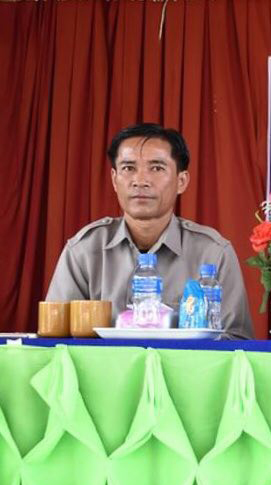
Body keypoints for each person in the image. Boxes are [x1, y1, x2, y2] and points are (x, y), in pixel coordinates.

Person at [46, 123, 253, 339]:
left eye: (156, 168)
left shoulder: (213, 253)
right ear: (114, 180)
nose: (140, 181)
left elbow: (237, 341)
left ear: (181, 181)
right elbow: (55, 339)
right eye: (128, 168)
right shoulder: (84, 250)